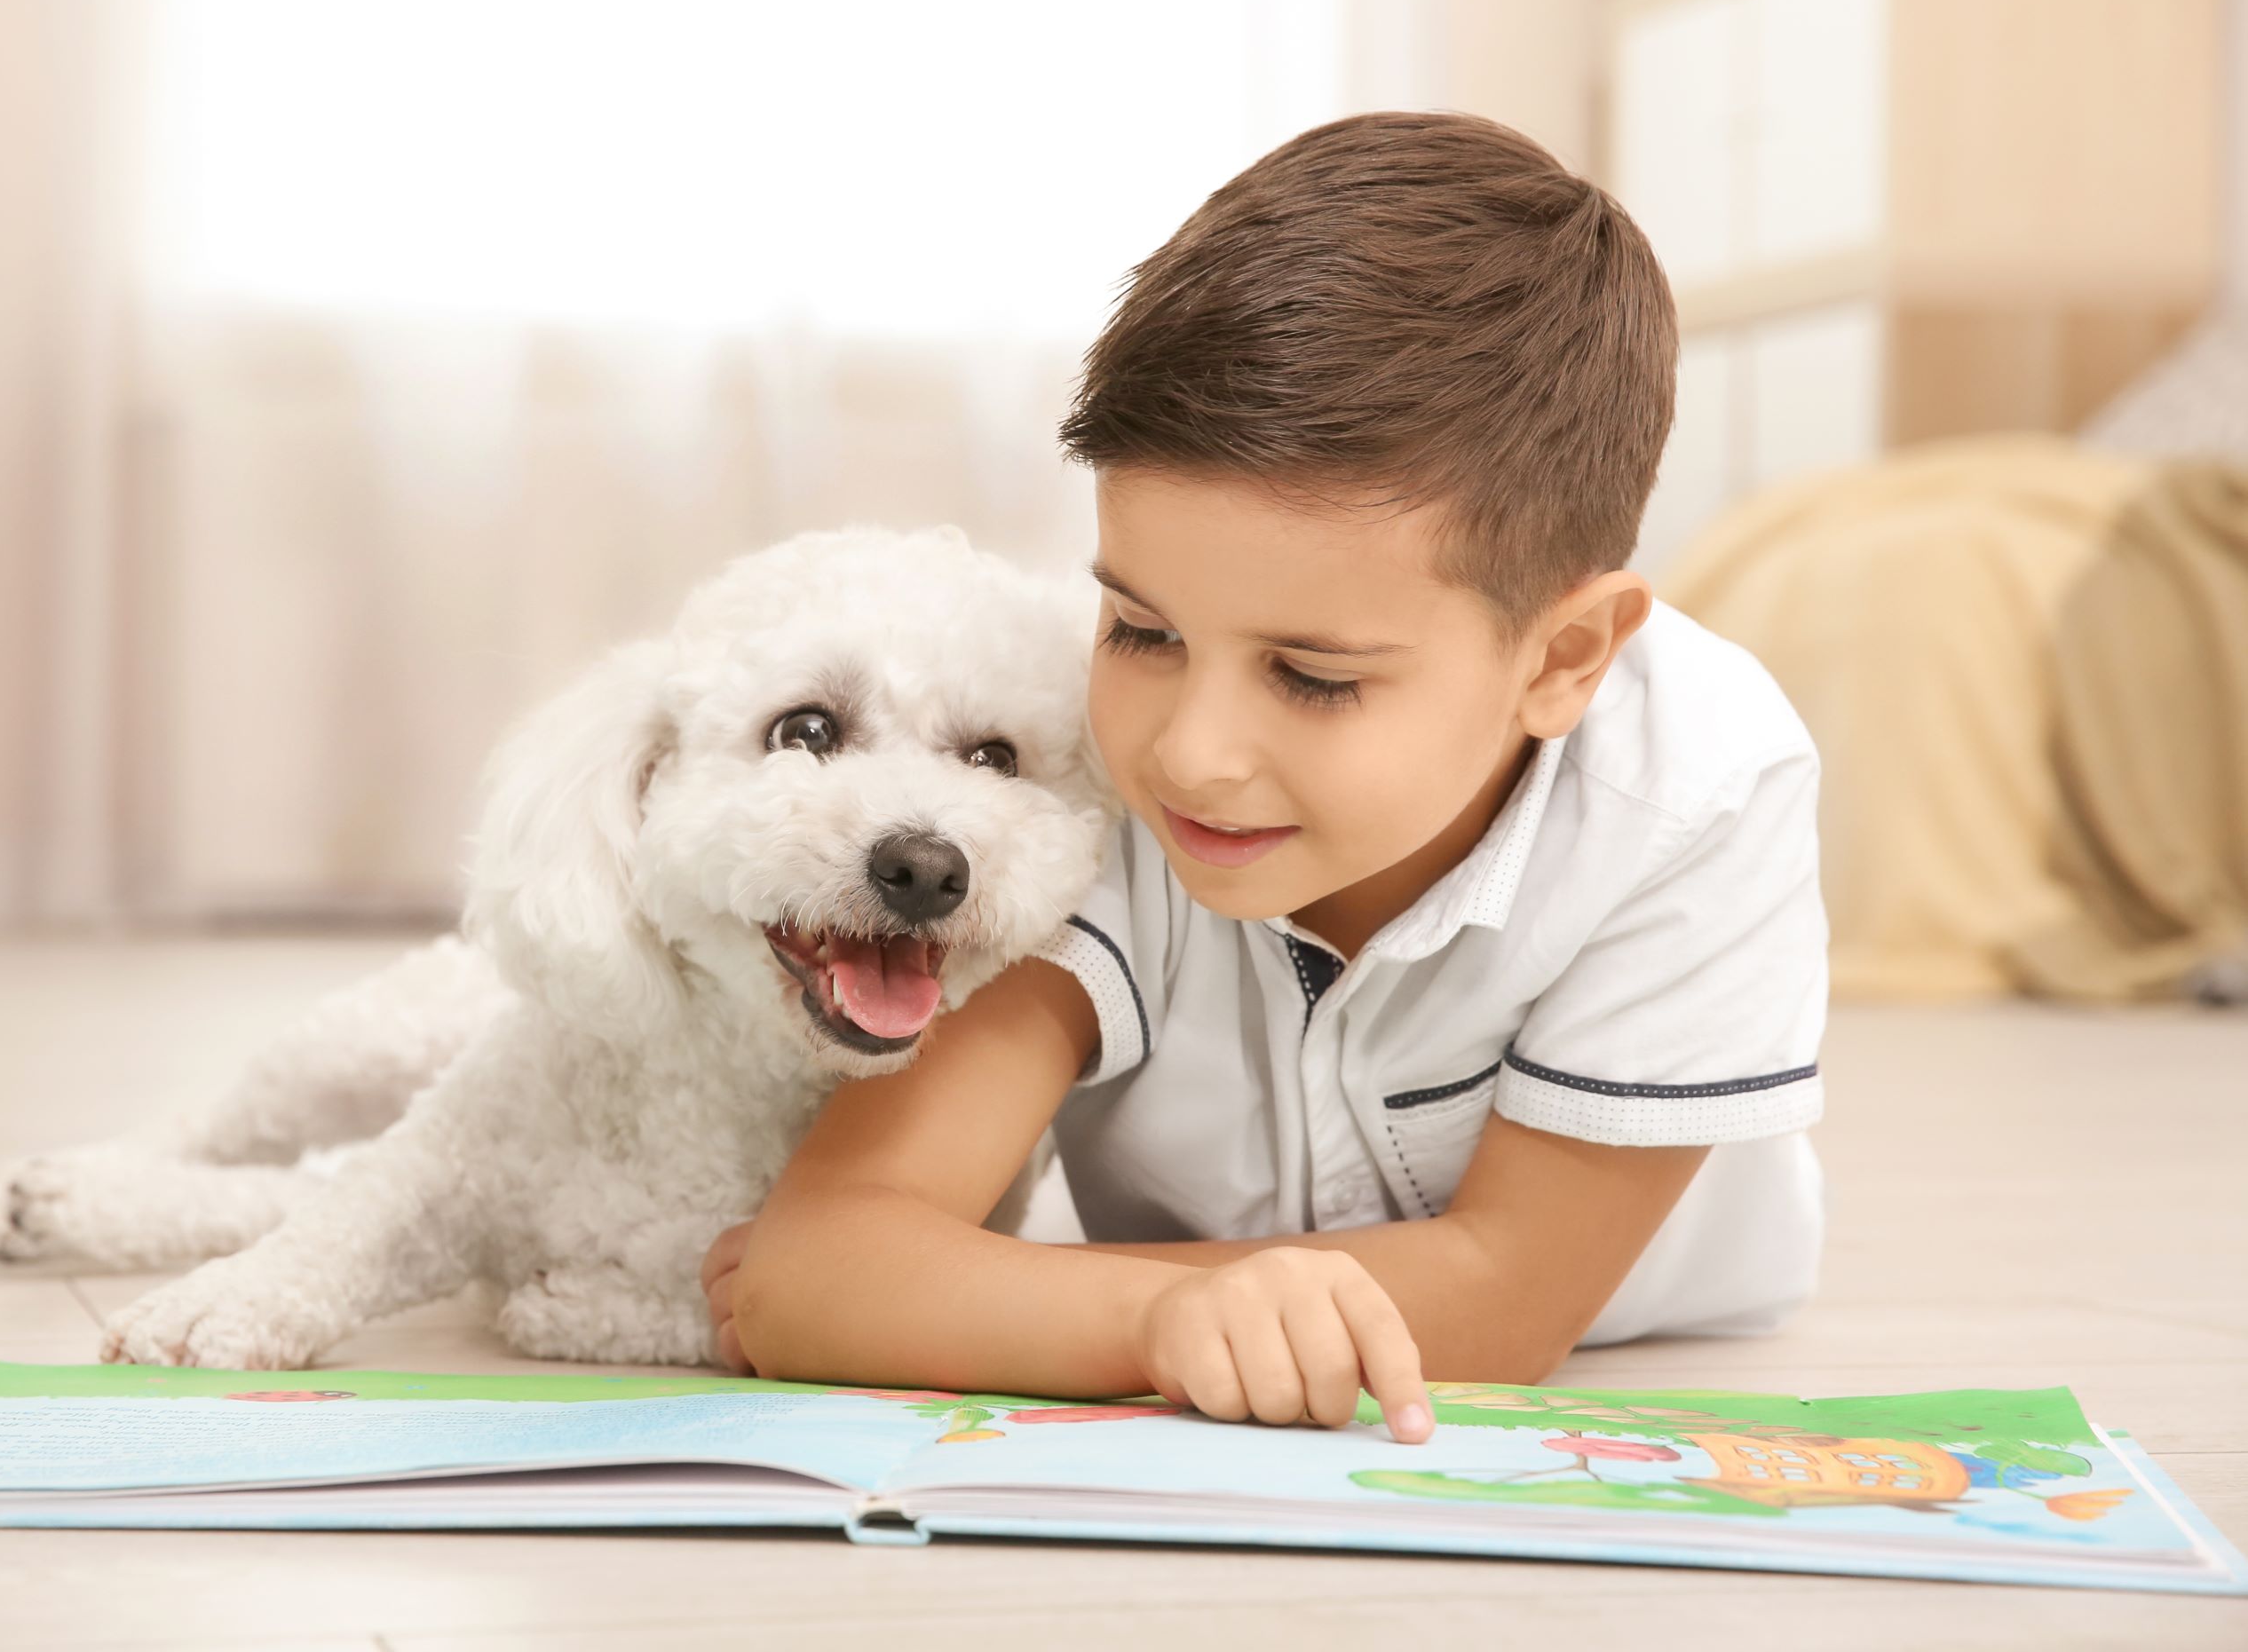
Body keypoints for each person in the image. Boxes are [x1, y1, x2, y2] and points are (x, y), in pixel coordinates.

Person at [709, 113, 1827, 1442]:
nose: (1189, 752)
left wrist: (998, 1299)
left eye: (1312, 676)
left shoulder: (1702, 787)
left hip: (1657, 1334)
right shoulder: (1078, 775)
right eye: (1143, 630)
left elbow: (1507, 1302)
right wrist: (1153, 1318)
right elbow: (820, 1268)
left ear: (1563, 657)